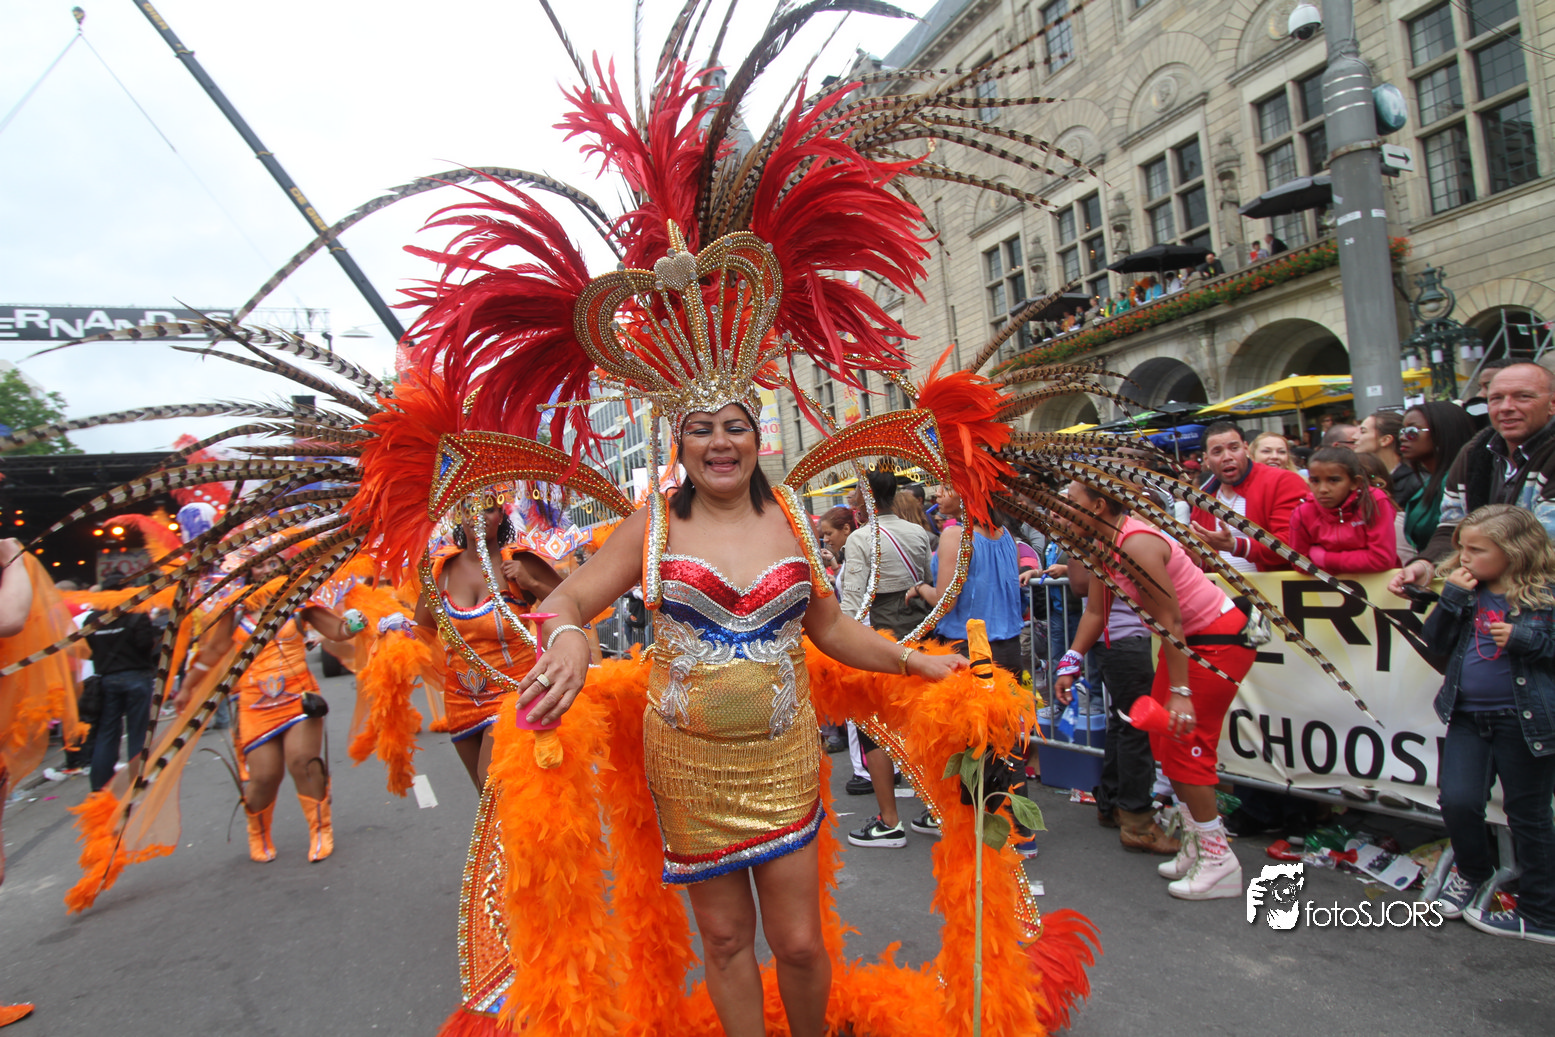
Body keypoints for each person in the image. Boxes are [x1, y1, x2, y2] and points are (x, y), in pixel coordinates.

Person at [516, 403, 966, 1036]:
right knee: (725, 940)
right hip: (689, 764)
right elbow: (566, 599)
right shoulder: (654, 525)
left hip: (782, 758)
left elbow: (830, 627)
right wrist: (566, 637)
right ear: (679, 444)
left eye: (734, 427)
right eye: (701, 430)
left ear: (757, 437)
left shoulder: (792, 518)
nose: (719, 444)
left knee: (799, 941)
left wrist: (913, 660)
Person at [1060, 481, 1257, 899]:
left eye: (1069, 503)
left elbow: (1171, 620)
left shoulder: (1136, 544)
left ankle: (1220, 862)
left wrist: (1181, 692)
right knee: (1164, 743)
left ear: (1098, 505)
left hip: (1214, 642)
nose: (1059, 511)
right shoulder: (1103, 544)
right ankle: (1197, 845)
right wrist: (1071, 660)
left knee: (1186, 746)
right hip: (1188, 643)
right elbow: (1096, 610)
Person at [1417, 505, 1555, 943]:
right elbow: (1433, 642)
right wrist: (1451, 599)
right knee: (1457, 800)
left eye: (1477, 550)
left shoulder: (1545, 593)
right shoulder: (1467, 589)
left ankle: (1541, 914)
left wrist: (1524, 639)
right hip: (1467, 714)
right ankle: (1473, 871)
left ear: (1514, 551)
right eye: (1462, 547)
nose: (1464, 557)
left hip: (1524, 720)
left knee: (1528, 815)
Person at [176, 554, 364, 863]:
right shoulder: (236, 609)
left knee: (303, 762)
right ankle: (258, 831)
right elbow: (213, 651)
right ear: (250, 570)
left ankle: (320, 829)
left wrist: (354, 622)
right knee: (264, 777)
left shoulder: (301, 601)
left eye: (273, 563)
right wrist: (187, 687)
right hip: (255, 704)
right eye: (260, 564)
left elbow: (338, 630)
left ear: (284, 566)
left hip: (299, 698)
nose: (266, 569)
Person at [908, 488, 1029, 849]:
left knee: (971, 744)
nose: (937, 493)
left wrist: (919, 589)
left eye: (946, 486)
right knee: (1005, 739)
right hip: (1007, 648)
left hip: (970, 650)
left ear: (965, 492)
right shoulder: (1004, 535)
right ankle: (1020, 833)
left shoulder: (955, 535)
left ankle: (984, 838)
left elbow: (946, 600)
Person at [414, 502, 562, 790]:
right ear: (458, 516)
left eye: (488, 508)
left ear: (501, 515)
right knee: (485, 797)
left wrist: (530, 582)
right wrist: (393, 632)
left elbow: (572, 602)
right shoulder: (441, 571)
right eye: (469, 508)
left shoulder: (520, 562)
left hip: (513, 693)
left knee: (494, 784)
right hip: (460, 699)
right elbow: (421, 632)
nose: (477, 516)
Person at [837, 469, 934, 848]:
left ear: (864, 500)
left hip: (881, 635)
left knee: (872, 725)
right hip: (921, 631)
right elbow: (925, 580)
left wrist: (840, 644)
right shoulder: (918, 532)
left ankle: (889, 821)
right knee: (923, 721)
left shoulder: (861, 537)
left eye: (854, 498)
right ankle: (935, 811)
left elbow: (852, 600)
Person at [1055, 557, 1175, 854]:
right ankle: (1137, 821)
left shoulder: (1119, 541)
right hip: (1122, 638)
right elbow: (1081, 585)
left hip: (1126, 637)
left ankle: (1113, 804)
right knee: (1136, 726)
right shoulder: (1099, 542)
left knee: (1124, 722)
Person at [1385, 399, 1496, 575]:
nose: (1403, 437)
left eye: (1412, 431)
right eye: (1402, 431)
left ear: (1443, 432)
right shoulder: (1428, 482)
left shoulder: (1460, 483)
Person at [1190, 421, 1309, 572]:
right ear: (1206, 459)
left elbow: (1292, 544)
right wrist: (1196, 559)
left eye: (1234, 448)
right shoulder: (1202, 498)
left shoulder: (1283, 481)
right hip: (1223, 587)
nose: (1227, 457)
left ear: (1246, 449)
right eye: (1217, 452)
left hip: (1274, 586)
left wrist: (1235, 546)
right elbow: (1209, 562)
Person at [83, 573, 156, 793]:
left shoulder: (92, 619)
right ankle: (138, 780)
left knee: (107, 732)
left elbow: (89, 648)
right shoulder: (137, 614)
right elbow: (146, 645)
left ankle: (100, 784)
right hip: (137, 677)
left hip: (107, 680)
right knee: (138, 732)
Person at [1288, 447, 1398, 573]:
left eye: (1333, 480)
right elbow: (1300, 564)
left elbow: (1382, 559)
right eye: (1315, 481)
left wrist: (1324, 559)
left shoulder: (1374, 501)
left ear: (1355, 482)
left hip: (1379, 584)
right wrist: (1358, 561)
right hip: (1326, 585)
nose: (1323, 489)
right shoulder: (1303, 511)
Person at [1356, 409, 1423, 508]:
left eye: (1363, 432)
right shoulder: (1362, 478)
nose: (1354, 437)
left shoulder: (1416, 482)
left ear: (1385, 440)